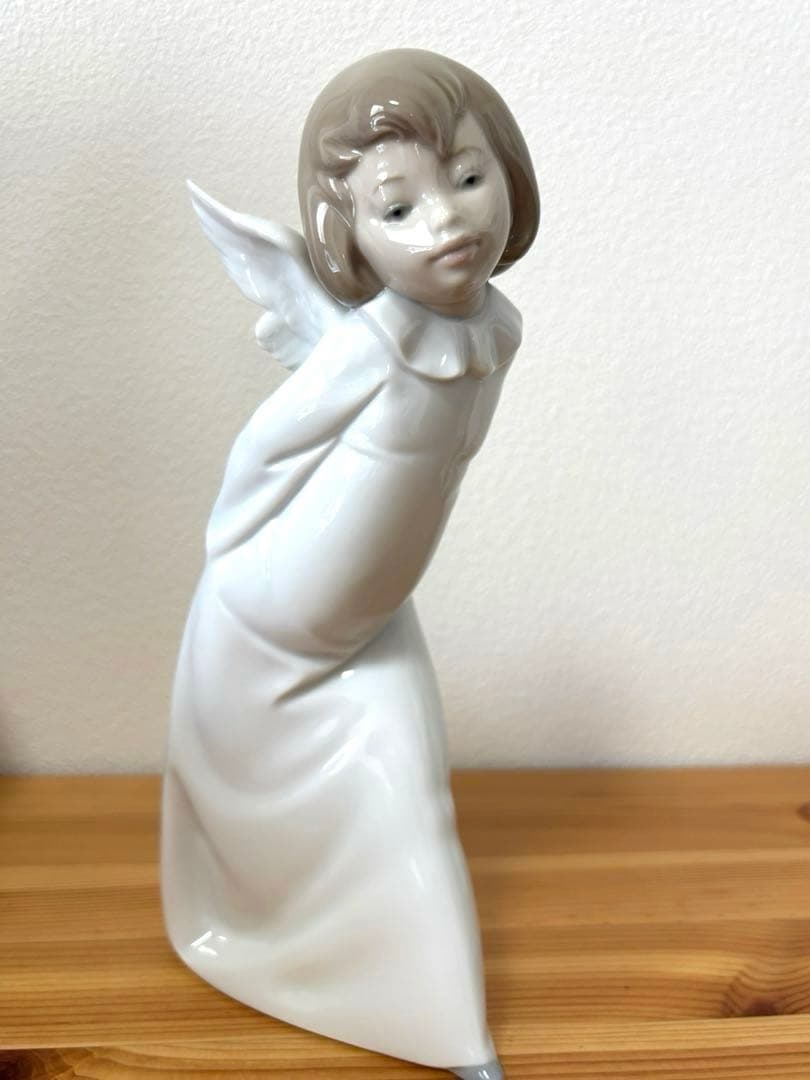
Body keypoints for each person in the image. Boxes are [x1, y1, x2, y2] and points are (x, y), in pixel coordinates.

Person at [160, 48, 539, 1080]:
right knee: (383, 788)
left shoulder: (497, 328)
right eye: (398, 207)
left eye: (468, 178)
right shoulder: (370, 346)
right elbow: (265, 447)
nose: (447, 222)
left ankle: (443, 1028)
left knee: (410, 790)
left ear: (509, 171)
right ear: (350, 235)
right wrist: (232, 558)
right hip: (278, 611)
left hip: (371, 617)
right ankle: (286, 945)